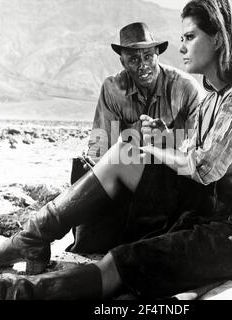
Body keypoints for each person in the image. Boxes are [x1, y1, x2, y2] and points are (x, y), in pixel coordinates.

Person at [0, 0, 232, 300]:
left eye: (190, 37)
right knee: (126, 151)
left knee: (122, 261)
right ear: (123, 60)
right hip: (208, 204)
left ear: (220, 37)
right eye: (182, 38)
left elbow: (205, 168)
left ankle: (25, 293)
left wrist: (152, 146)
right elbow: (190, 149)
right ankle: (32, 238)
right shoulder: (212, 96)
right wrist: (164, 137)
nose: (182, 48)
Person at [68, 22, 205, 253]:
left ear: (158, 54)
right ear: (122, 62)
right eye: (133, 60)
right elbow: (101, 145)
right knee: (84, 171)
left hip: (172, 181)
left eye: (148, 57)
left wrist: (168, 139)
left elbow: (201, 152)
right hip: (129, 175)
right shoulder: (113, 89)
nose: (143, 66)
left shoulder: (185, 88)